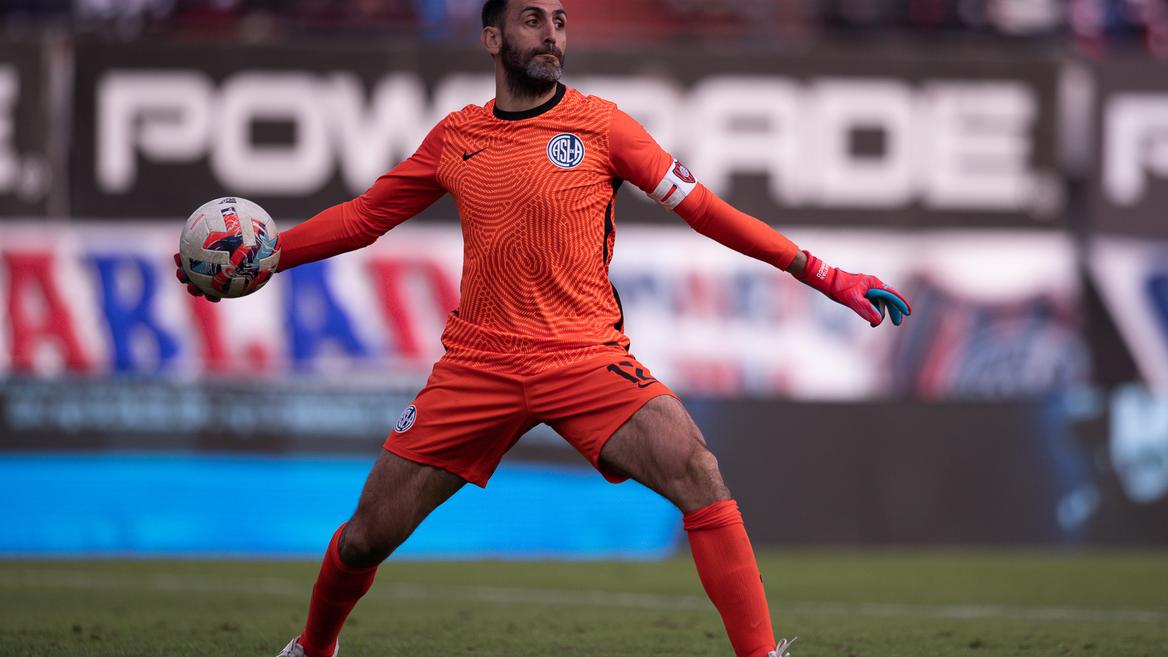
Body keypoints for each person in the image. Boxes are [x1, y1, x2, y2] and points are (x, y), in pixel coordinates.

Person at [175, 1, 911, 655]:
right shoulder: (456, 137)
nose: (551, 33)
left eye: (559, 20)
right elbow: (366, 217)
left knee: (698, 470)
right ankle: (314, 647)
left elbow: (708, 211)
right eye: (532, 19)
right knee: (367, 533)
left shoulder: (603, 126)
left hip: (584, 357)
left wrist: (823, 273)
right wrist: (269, 258)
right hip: (477, 367)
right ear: (492, 36)